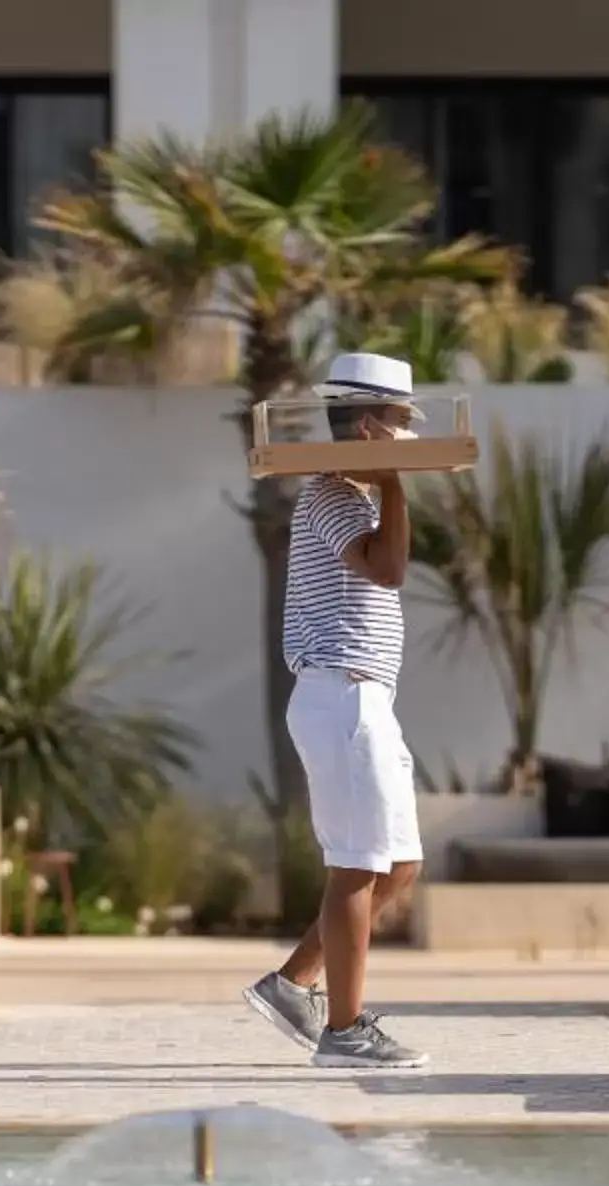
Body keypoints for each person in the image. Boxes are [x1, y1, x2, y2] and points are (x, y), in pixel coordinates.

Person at [244, 353, 431, 1070]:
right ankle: (345, 1032)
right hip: (341, 693)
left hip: (362, 697)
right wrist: (390, 480)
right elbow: (388, 569)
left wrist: (388, 484)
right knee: (357, 866)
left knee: (401, 864)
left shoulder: (362, 496)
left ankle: (293, 983)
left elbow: (385, 566)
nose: (409, 434)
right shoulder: (332, 495)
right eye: (401, 422)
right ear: (370, 425)